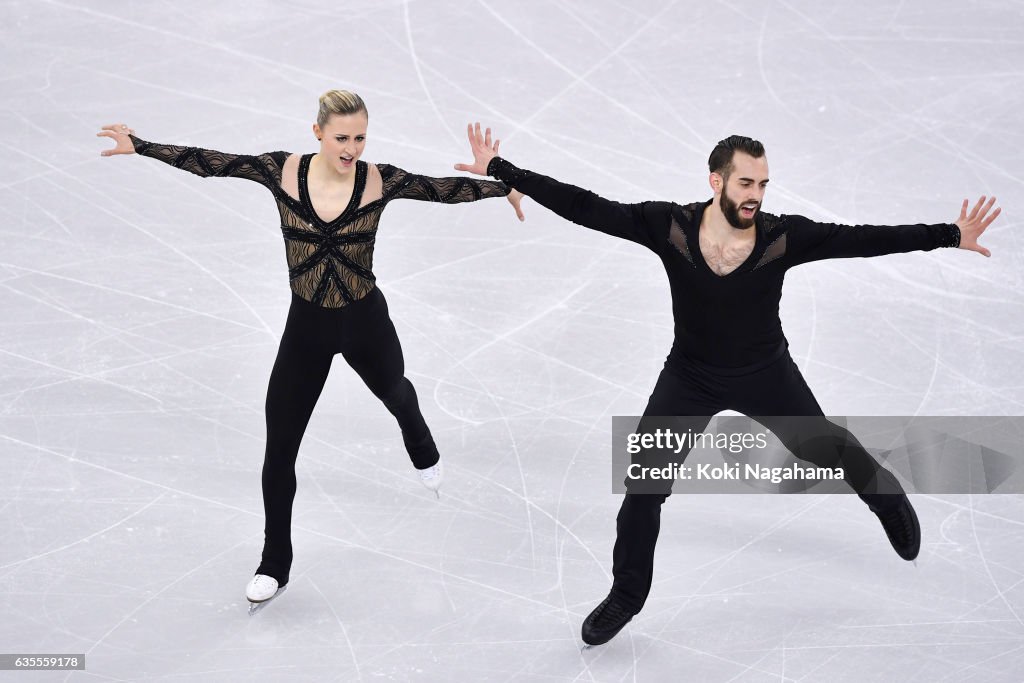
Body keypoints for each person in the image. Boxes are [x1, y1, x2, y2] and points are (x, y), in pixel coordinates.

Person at [456, 124, 1000, 646]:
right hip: (690, 376)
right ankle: (627, 594)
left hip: (765, 373)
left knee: (823, 449)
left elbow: (861, 240)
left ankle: (886, 497)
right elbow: (588, 207)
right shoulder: (668, 227)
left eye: (762, 184)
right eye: (746, 183)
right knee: (644, 484)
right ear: (715, 181)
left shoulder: (783, 239)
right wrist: (504, 170)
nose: (756, 195)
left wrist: (949, 235)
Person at [96, 91, 525, 608]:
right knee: (280, 445)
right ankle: (274, 563)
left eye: (360, 137)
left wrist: (505, 187)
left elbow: (442, 189)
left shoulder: (379, 180)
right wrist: (139, 146)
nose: (351, 148)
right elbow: (212, 163)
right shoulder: (280, 172)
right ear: (317, 132)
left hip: (366, 322)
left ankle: (420, 440)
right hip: (307, 329)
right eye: (342, 137)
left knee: (397, 393)